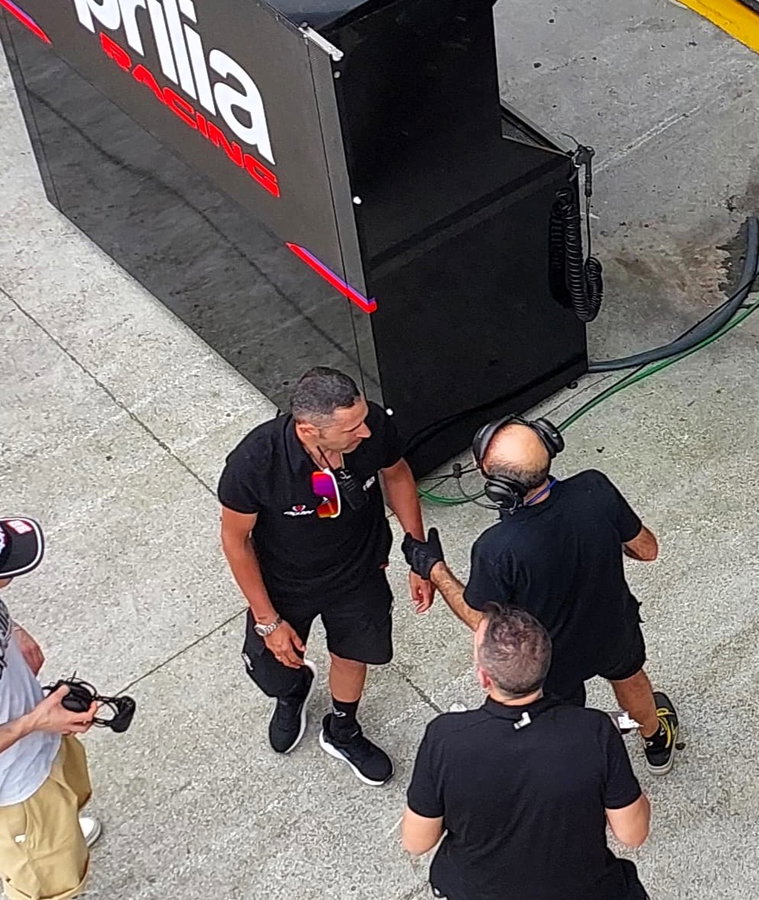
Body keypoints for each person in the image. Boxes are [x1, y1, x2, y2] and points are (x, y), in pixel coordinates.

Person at [400, 415, 681, 775]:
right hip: (613, 627)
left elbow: (483, 624)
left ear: (498, 489)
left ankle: (581, 767)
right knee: (630, 679)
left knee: (562, 722)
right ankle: (655, 738)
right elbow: (647, 550)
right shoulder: (595, 488)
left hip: (549, 660)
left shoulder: (496, 549)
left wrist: (434, 568)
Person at [218, 367, 434, 786]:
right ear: (308, 430)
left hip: (359, 572)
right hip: (285, 585)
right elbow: (236, 540)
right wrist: (268, 620)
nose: (366, 432)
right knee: (272, 668)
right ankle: (293, 690)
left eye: (363, 419)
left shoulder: (372, 425)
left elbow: (397, 474)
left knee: (353, 653)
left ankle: (342, 727)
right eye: (352, 428)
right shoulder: (255, 462)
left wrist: (416, 553)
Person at [401, 604, 651, 900]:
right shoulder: (593, 732)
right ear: (546, 666)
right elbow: (632, 834)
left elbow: (417, 841)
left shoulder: (445, 739)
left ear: (484, 678)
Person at [0, 516, 102, 900]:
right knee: (44, 888)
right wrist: (35, 721)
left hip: (38, 745)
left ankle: (65, 837)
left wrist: (13, 630)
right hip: (16, 792)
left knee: (67, 809)